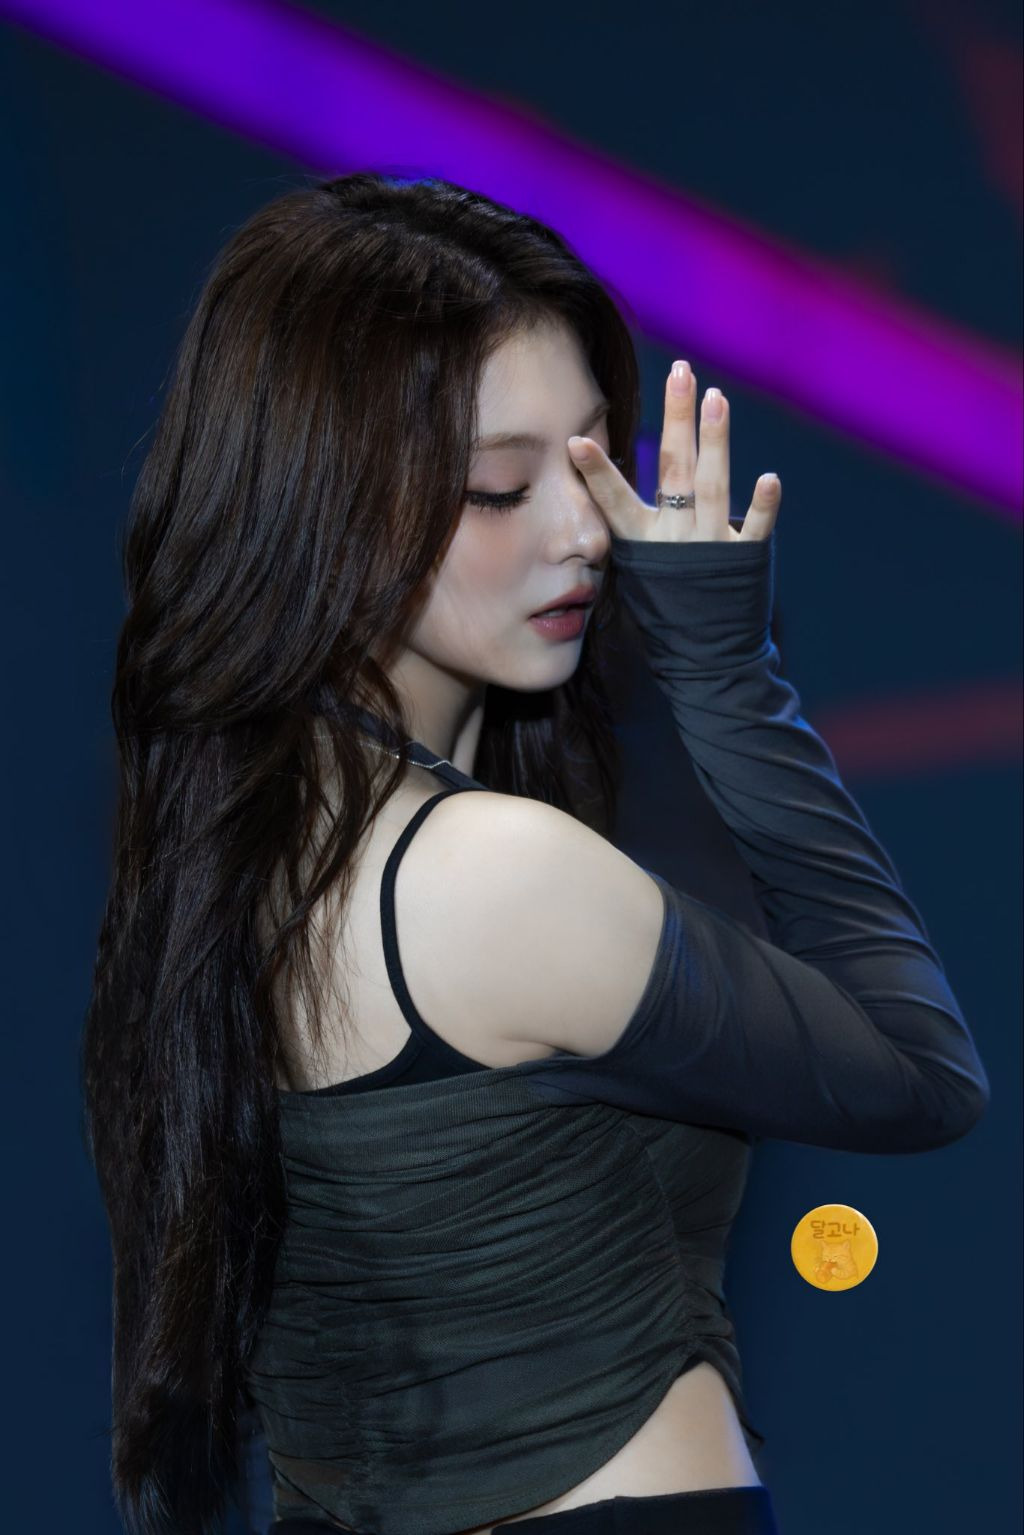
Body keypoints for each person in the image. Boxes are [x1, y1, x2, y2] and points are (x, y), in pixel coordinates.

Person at [82, 172, 989, 1535]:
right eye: (500, 488)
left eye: (591, 463)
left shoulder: (226, 871)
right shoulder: (490, 875)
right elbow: (920, 1076)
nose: (584, 533)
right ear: (322, 505)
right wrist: (727, 673)